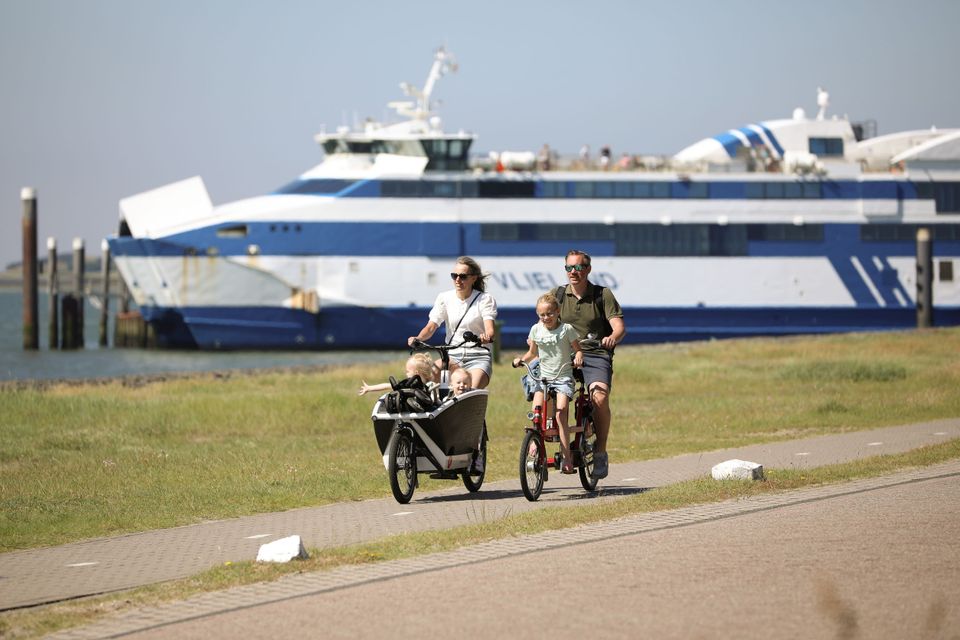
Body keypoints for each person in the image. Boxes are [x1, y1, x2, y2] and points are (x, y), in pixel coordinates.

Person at [552, 250, 625, 479]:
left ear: (588, 269)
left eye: (578, 268)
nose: (573, 273)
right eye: (569, 268)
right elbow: (543, 320)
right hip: (564, 355)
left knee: (599, 398)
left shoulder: (602, 294)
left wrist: (612, 337)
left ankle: (600, 451)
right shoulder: (558, 295)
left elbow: (619, 326)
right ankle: (543, 440)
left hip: (594, 353)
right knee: (545, 391)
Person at [512, 292, 583, 473]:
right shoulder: (536, 330)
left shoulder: (566, 329)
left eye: (550, 313)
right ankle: (535, 441)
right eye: (542, 315)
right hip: (544, 377)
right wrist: (521, 359)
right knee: (536, 412)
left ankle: (567, 456)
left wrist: (578, 358)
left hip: (562, 377)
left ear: (558, 312)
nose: (546, 318)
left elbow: (578, 350)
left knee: (560, 414)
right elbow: (532, 353)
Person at [408, 256, 498, 389]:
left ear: (473, 278)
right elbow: (431, 326)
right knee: (428, 376)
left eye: (463, 276)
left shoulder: (485, 299)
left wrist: (486, 337)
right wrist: (418, 338)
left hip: (478, 357)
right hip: (452, 357)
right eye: (454, 275)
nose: (457, 280)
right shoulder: (444, 298)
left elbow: (490, 330)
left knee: (470, 390)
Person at [357, 352, 438, 396]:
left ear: (416, 373)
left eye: (408, 371)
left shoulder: (431, 386)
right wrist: (369, 388)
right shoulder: (406, 385)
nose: (406, 373)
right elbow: (387, 385)